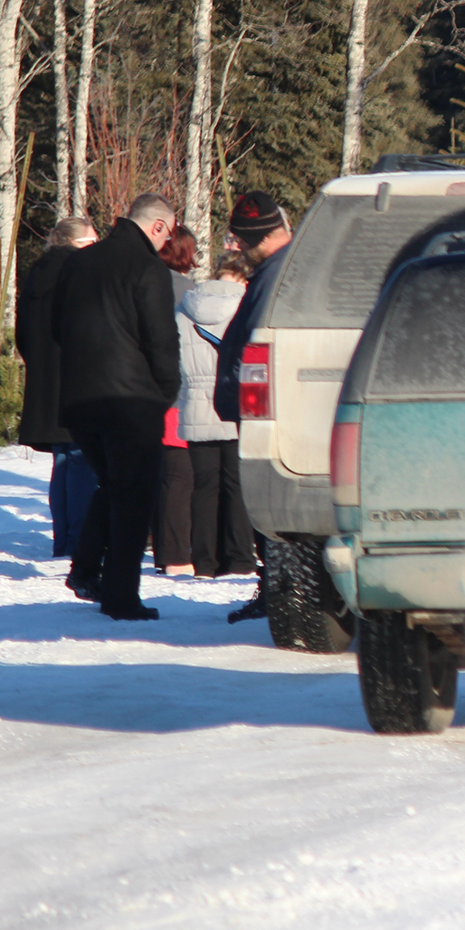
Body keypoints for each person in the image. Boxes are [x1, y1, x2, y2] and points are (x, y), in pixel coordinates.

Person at [53, 193, 183, 620]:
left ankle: (86, 568)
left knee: (112, 485)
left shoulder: (77, 263)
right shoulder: (148, 268)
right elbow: (161, 340)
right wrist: (165, 392)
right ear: (159, 226)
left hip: (80, 397)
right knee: (134, 498)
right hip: (131, 400)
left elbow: (56, 327)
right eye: (170, 232)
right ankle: (121, 596)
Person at [213, 191, 298, 624]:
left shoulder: (276, 275)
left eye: (240, 241)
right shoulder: (285, 268)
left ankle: (279, 593)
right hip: (274, 407)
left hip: (270, 410)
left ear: (250, 240)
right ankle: (279, 590)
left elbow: (262, 345)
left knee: (267, 506)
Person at [17, 217, 100, 557]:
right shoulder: (78, 273)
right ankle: (78, 539)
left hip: (44, 381)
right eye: (92, 243)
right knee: (79, 460)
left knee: (64, 462)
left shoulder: (37, 272)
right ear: (77, 245)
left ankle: (63, 538)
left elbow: (22, 333)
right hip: (76, 377)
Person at [176, 254, 256, 579]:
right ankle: (239, 558)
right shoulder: (247, 306)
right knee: (236, 485)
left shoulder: (184, 308)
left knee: (204, 487)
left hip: (195, 402)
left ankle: (205, 561)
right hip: (233, 403)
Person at [154, 227, 199, 576]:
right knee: (179, 477)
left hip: (144, 392)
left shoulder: (140, 282)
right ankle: (176, 554)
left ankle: (157, 542)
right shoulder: (188, 294)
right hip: (178, 393)